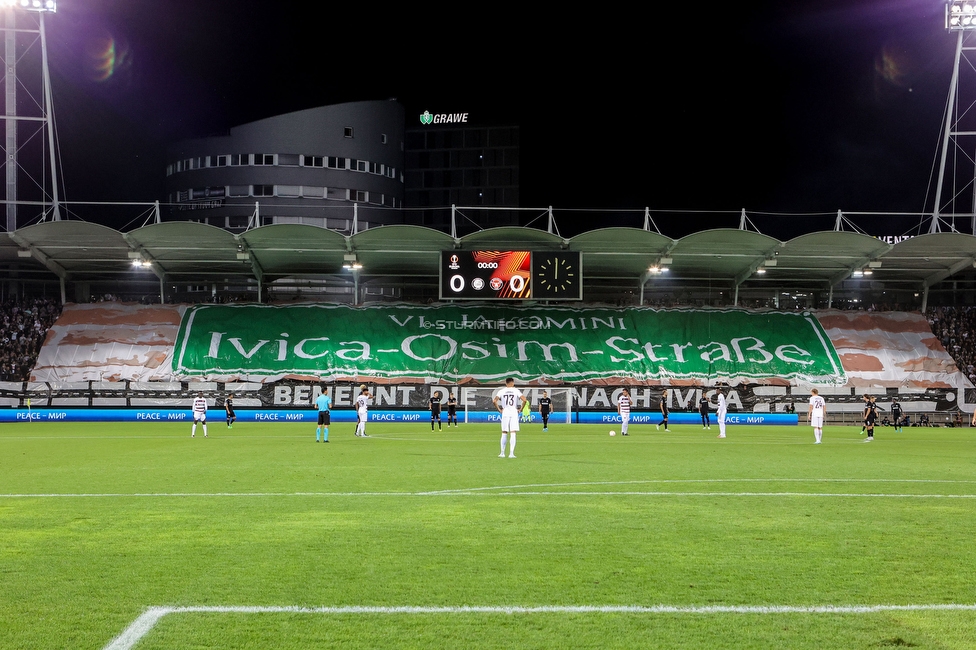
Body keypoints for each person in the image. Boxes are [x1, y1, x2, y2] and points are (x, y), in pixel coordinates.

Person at [493, 377, 525, 458]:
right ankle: (511, 453)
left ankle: (502, 453)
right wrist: (521, 409)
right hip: (514, 412)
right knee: (513, 432)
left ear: (506, 383)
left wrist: (499, 410)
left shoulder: (502, 391)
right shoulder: (516, 390)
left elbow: (494, 401)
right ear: (513, 383)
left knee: (504, 432)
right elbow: (524, 400)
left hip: (505, 412)